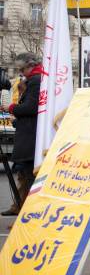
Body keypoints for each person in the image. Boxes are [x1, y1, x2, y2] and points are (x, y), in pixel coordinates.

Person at [0, 53, 42, 216]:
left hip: (30, 136)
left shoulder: (36, 81)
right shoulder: (32, 81)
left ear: (30, 66)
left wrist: (10, 108)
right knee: (23, 174)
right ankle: (19, 206)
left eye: (22, 69)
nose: (21, 72)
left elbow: (31, 108)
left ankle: (27, 210)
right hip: (28, 133)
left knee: (27, 173)